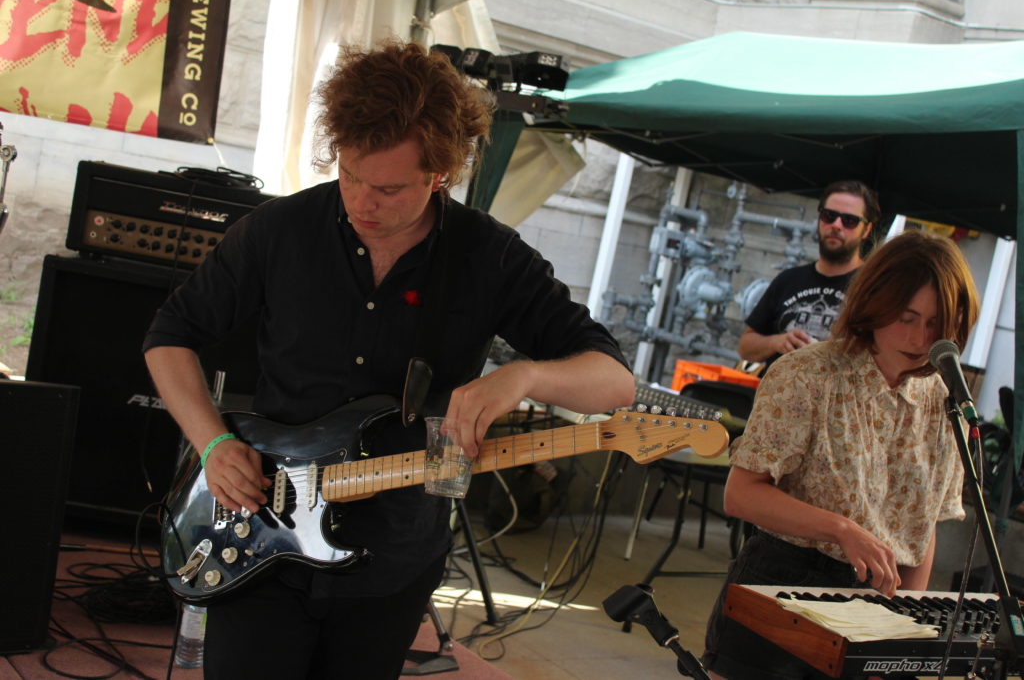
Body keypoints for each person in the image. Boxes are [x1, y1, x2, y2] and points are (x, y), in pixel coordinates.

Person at [143, 41, 635, 679]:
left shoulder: (490, 258)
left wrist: (528, 374)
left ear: (441, 174)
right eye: (349, 175)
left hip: (392, 559)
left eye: (389, 188)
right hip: (258, 534)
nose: (360, 201)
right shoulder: (279, 230)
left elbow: (615, 383)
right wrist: (212, 445)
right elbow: (168, 336)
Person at [702, 230, 979, 680]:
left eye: (935, 324)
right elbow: (741, 496)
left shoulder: (946, 403)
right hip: (784, 583)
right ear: (875, 305)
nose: (919, 337)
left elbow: (920, 530)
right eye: (906, 317)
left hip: (879, 597)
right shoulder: (807, 374)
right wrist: (841, 529)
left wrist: (903, 625)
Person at [737, 180, 879, 368]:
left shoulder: (873, 288)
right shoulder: (788, 279)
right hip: (777, 393)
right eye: (829, 216)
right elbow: (745, 347)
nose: (837, 225)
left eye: (849, 220)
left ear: (866, 230)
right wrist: (777, 342)